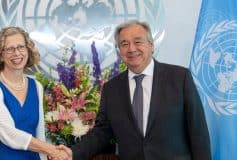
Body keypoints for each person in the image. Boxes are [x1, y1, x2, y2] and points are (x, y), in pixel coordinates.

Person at [58, 20, 211, 160]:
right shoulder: (111, 89)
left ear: (151, 46)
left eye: (138, 41)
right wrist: (73, 152)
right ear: (119, 51)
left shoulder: (179, 78)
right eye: (124, 44)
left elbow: (198, 131)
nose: (131, 49)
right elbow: (102, 132)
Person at [0, 27, 68, 160]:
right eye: (9, 49)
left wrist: (47, 155)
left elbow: (39, 133)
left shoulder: (36, 86)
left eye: (21, 47)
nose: (17, 53)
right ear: (0, 55)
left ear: (28, 50)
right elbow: (7, 133)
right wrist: (52, 150)